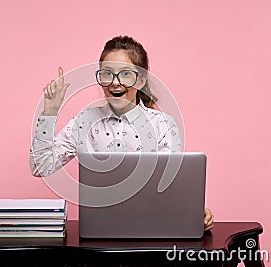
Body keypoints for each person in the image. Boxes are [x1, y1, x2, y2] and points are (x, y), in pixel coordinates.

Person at [29, 36, 214, 231]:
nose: (115, 83)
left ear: (141, 80)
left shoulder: (163, 125)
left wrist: (194, 211)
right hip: (98, 231)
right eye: (107, 73)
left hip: (153, 229)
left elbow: (170, 186)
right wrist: (50, 112)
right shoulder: (84, 122)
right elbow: (40, 167)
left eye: (125, 74)